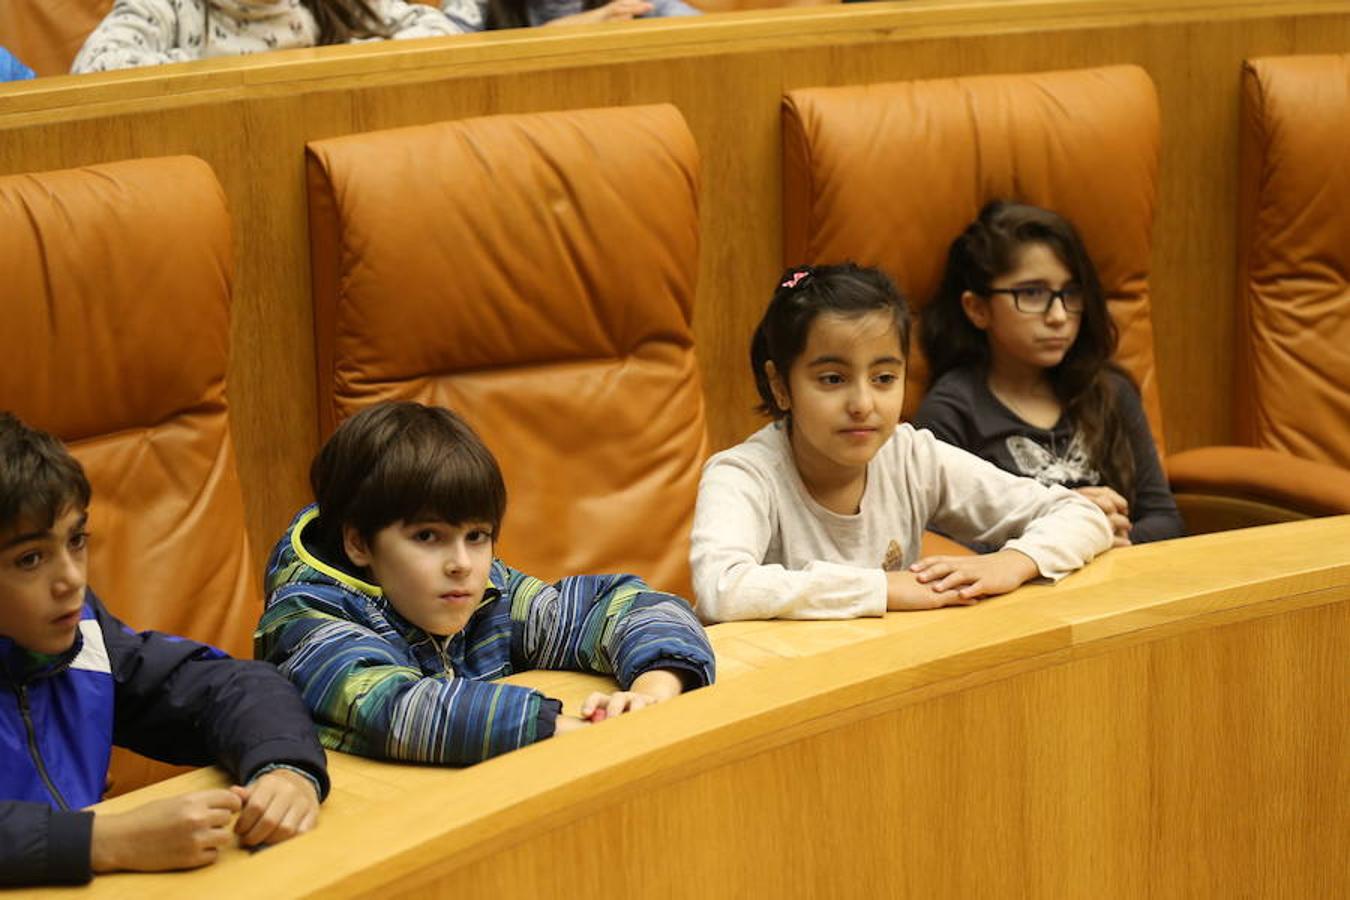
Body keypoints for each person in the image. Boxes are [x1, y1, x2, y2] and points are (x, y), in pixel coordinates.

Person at [255, 401, 714, 764]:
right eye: (427, 536)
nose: (461, 564)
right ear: (358, 543)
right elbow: (389, 708)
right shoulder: (307, 617)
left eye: (476, 536)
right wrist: (564, 729)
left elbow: (630, 607)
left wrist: (652, 692)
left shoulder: (489, 593)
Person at [0, 413, 329, 887]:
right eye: (30, 559)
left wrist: (284, 767)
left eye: (76, 541)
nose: (71, 579)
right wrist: (104, 841)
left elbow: (229, 685)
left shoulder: (82, 636)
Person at [689, 263, 1113, 623]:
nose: (862, 404)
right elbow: (723, 587)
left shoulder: (911, 457)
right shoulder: (742, 474)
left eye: (884, 378)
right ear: (781, 386)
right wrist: (885, 589)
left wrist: (1012, 563)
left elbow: (1079, 513)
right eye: (832, 379)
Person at [913, 201, 1184, 547]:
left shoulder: (1109, 390)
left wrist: (1102, 544)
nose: (1058, 315)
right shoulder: (952, 410)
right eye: (1032, 293)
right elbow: (940, 545)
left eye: (1070, 293)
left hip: (1122, 581)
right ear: (978, 308)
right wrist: (1071, 528)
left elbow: (1165, 519)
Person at [72, 0, 460, 74]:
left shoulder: (330, 6)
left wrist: (332, 65)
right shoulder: (170, 7)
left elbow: (441, 32)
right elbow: (94, 68)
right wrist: (239, 75)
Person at [441, 0, 697, 33]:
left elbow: (712, 35)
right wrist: (562, 30)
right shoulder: (473, 5)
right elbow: (437, 61)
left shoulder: (631, 4)